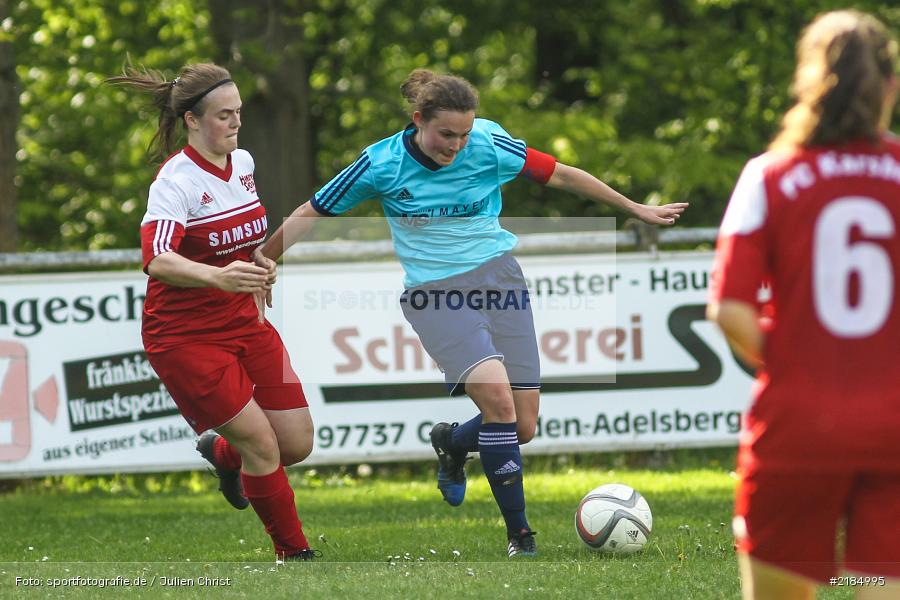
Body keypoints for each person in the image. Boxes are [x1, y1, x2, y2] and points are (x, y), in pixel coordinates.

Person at [256, 68, 687, 558]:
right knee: (500, 405)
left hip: (501, 279)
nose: (456, 145)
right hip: (436, 294)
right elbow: (314, 210)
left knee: (521, 426)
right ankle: (521, 538)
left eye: (464, 133)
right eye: (446, 134)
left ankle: (455, 443)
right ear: (418, 120)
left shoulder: (489, 143)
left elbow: (562, 173)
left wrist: (633, 206)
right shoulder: (381, 163)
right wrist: (267, 258)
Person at [708, 10, 900, 599]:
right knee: (877, 582)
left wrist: (797, 362)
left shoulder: (769, 176)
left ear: (808, 82)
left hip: (798, 429)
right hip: (894, 429)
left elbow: (730, 309)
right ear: (889, 87)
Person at [106, 63, 319, 561]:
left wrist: (259, 264)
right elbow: (157, 258)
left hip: (246, 322)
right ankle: (295, 554)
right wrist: (219, 277)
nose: (235, 123)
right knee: (264, 448)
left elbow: (241, 243)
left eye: (239, 113)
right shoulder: (174, 182)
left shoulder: (242, 163)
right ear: (192, 121)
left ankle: (223, 454)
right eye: (224, 116)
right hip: (185, 338)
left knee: (296, 442)